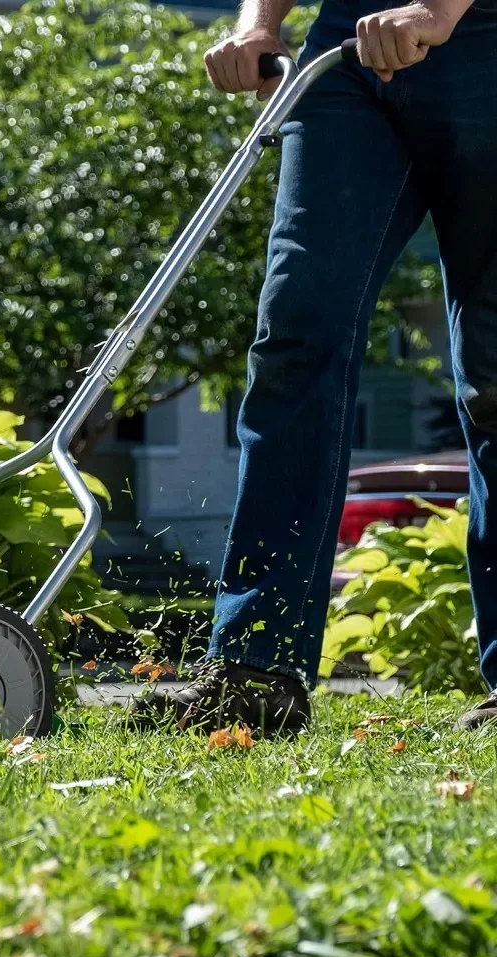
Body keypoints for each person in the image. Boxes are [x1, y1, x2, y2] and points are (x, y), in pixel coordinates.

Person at [133, 0, 497, 735]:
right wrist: (259, 24)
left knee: (496, 377)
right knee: (297, 331)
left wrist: (438, 8)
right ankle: (255, 669)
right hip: (347, 50)